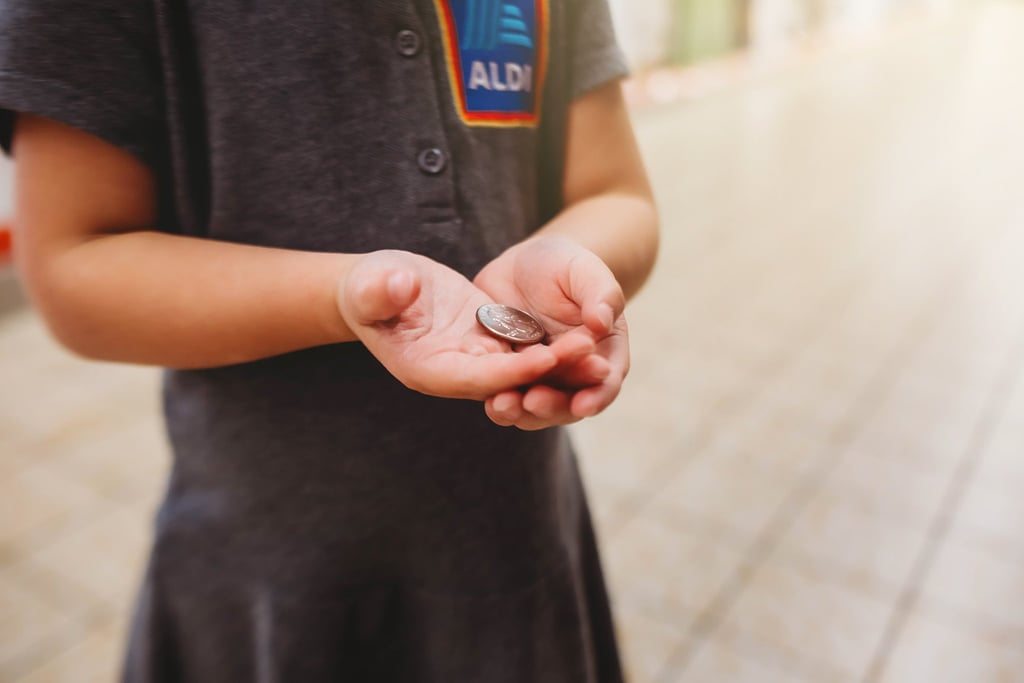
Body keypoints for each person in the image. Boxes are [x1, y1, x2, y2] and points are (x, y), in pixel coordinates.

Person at [0, 0, 658, 680]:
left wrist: (574, 265)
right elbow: (72, 261)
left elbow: (618, 192)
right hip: (265, 573)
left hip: (517, 541)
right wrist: (342, 296)